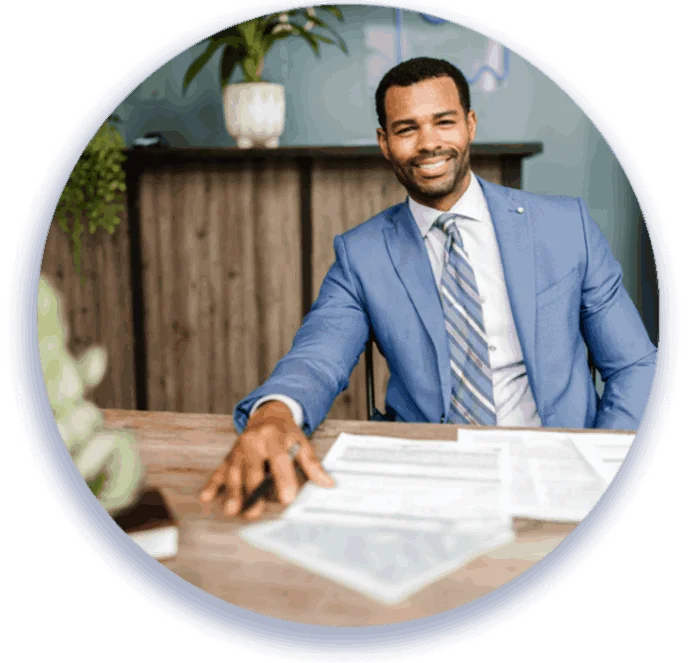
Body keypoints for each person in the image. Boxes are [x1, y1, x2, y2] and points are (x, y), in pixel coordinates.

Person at [199, 57, 658, 520]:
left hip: (557, 471)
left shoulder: (565, 226)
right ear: (385, 142)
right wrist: (275, 414)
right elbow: (318, 356)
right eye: (407, 129)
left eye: (444, 122)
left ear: (470, 124)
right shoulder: (362, 254)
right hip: (431, 481)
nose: (429, 143)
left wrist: (599, 466)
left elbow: (635, 364)